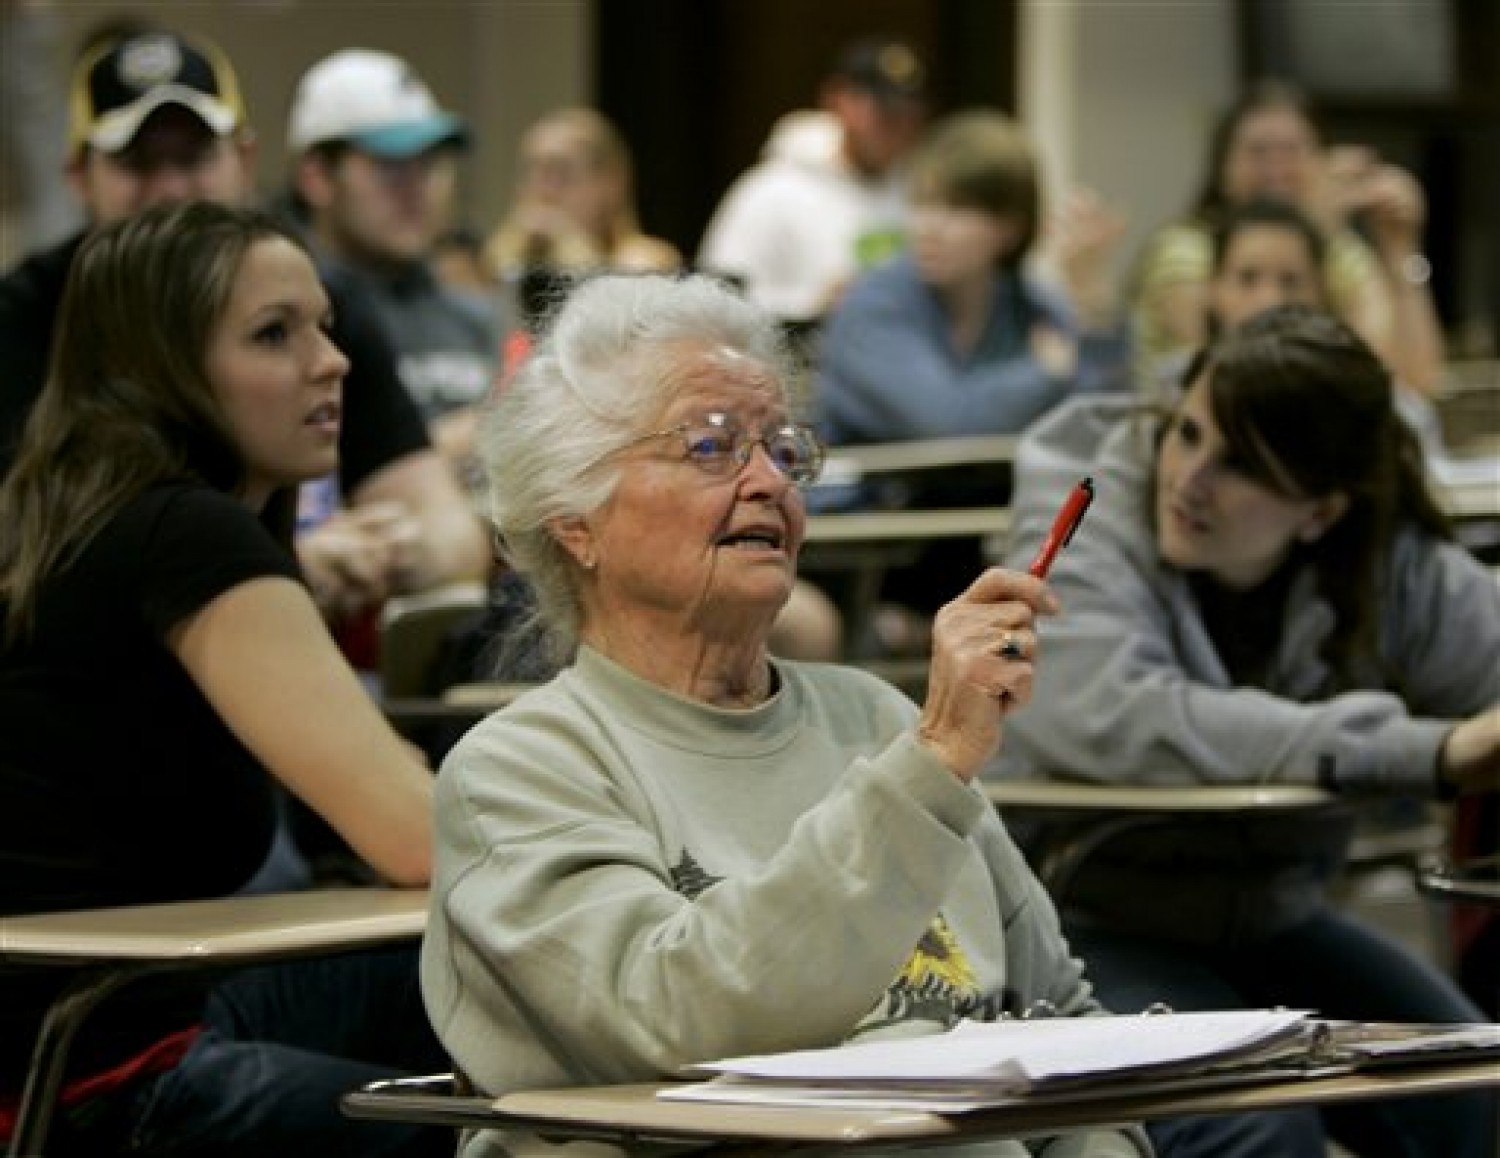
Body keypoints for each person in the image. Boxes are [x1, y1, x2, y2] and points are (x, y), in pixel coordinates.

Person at [419, 271, 1150, 1158]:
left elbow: (1065, 1025)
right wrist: (932, 762)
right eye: (712, 446)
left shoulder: (875, 718)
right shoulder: (522, 771)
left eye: (783, 450)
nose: (769, 481)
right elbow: (680, 1025)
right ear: (576, 518)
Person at [0, 201, 449, 1156]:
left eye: (323, 326)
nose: (330, 361)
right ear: (165, 367)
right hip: (89, 1067)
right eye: (274, 335)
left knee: (489, 983)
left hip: (100, 1019)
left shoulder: (77, 513)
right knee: (496, 1129)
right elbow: (416, 836)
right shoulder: (183, 535)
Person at [996, 306, 1498, 1158]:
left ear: (1319, 512)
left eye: (1241, 468)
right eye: (1188, 434)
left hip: (1270, 915)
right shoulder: (1082, 489)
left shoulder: (1380, 553)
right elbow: (1109, 715)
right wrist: (1432, 754)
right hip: (1076, 916)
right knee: (1257, 1130)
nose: (1189, 477)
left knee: (1478, 1088)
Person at [0, 25, 489, 628]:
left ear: (246, 159)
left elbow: (451, 536)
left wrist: (378, 554)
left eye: (194, 156)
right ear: (80, 175)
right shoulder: (19, 318)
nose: (173, 188)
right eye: (138, 162)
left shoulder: (317, 300)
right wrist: (271, 569)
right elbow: (26, 553)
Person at [817, 108, 1128, 446]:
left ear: (1009, 228)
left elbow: (1104, 414)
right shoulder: (874, 304)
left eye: (956, 209)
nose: (928, 228)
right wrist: (1049, 372)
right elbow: (946, 421)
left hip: (992, 492)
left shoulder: (1026, 302)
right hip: (879, 494)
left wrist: (1093, 302)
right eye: (921, 204)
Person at [1129, 80, 1445, 400]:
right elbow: (1231, 372)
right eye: (1258, 151)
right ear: (1222, 166)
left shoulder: (1339, 247)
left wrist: (1400, 250)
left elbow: (1411, 384)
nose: (1276, 169)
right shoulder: (1185, 247)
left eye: (1293, 150)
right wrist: (1312, 233)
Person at [287, 47, 499, 468]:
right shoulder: (287, 326)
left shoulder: (478, 317)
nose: (417, 188)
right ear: (317, 177)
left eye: (428, 164)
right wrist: (449, 447)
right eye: (390, 166)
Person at [697, 36, 928, 323]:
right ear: (837, 99)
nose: (897, 125)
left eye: (908, 114)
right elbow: (714, 299)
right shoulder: (770, 192)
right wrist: (815, 302)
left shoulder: (923, 190)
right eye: (883, 113)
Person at [484, 106, 681, 283]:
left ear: (611, 182)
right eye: (531, 172)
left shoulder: (645, 262)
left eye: (561, 172)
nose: (542, 190)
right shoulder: (498, 258)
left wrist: (574, 253)